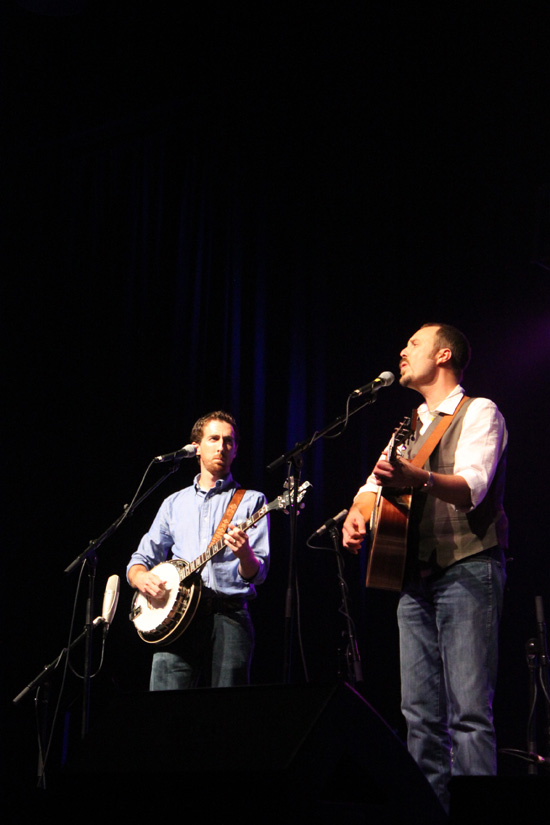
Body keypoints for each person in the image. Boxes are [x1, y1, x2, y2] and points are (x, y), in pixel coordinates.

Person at [342, 323, 508, 812]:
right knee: (418, 716)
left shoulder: (479, 411)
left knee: (469, 714)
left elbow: (472, 486)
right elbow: (371, 487)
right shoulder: (409, 425)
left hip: (468, 567)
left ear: (444, 355)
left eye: (414, 343)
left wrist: (421, 477)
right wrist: (357, 513)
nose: (402, 350)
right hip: (412, 580)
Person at [127, 410, 270, 690]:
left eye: (229, 441)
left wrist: (245, 555)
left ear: (236, 450)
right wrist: (140, 577)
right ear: (196, 448)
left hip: (229, 617)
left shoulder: (252, 501)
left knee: (226, 712)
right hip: (177, 619)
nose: (221, 447)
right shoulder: (173, 503)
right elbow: (140, 559)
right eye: (214, 439)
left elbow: (258, 573)